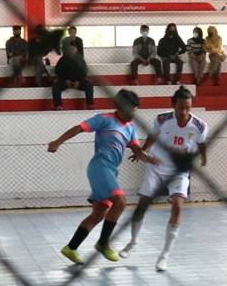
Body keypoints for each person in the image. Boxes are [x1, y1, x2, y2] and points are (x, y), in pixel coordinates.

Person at [47, 89, 158, 264]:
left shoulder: (130, 128)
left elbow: (137, 150)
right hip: (100, 166)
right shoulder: (105, 119)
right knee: (120, 202)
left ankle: (71, 248)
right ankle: (103, 243)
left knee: (98, 214)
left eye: (135, 111)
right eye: (131, 110)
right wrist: (57, 142)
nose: (133, 115)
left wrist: (147, 157)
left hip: (111, 170)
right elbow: (79, 128)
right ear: (120, 107)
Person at [120, 87, 207, 272]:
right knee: (142, 204)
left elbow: (200, 142)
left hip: (180, 171)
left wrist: (204, 156)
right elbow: (153, 136)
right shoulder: (162, 119)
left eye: (188, 108)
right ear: (173, 105)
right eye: (180, 108)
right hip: (157, 167)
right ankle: (133, 242)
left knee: (177, 206)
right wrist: (141, 151)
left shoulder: (200, 125)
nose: (184, 112)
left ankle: (164, 256)